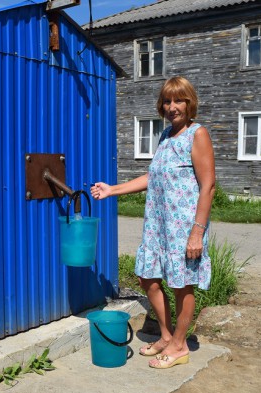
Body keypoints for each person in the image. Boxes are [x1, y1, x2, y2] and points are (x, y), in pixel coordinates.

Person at [91, 76, 215, 369]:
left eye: (179, 100)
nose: (172, 107)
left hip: (184, 227)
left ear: (189, 102)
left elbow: (208, 185)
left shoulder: (197, 135)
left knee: (183, 285)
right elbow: (152, 178)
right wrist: (112, 189)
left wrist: (197, 232)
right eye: (167, 101)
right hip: (158, 226)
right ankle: (166, 335)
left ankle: (180, 345)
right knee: (149, 278)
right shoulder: (165, 137)